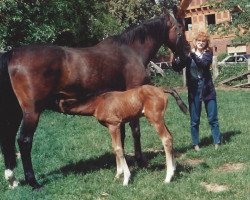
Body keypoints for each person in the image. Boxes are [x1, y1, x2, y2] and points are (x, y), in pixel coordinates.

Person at [172, 31, 221, 151]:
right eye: (199, 40)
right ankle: (195, 144)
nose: (201, 43)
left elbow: (203, 65)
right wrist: (174, 56)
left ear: (206, 43)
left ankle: (217, 142)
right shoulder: (189, 56)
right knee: (195, 119)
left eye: (203, 41)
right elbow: (177, 67)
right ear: (195, 41)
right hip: (194, 91)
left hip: (208, 90)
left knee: (213, 118)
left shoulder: (208, 54)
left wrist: (192, 54)